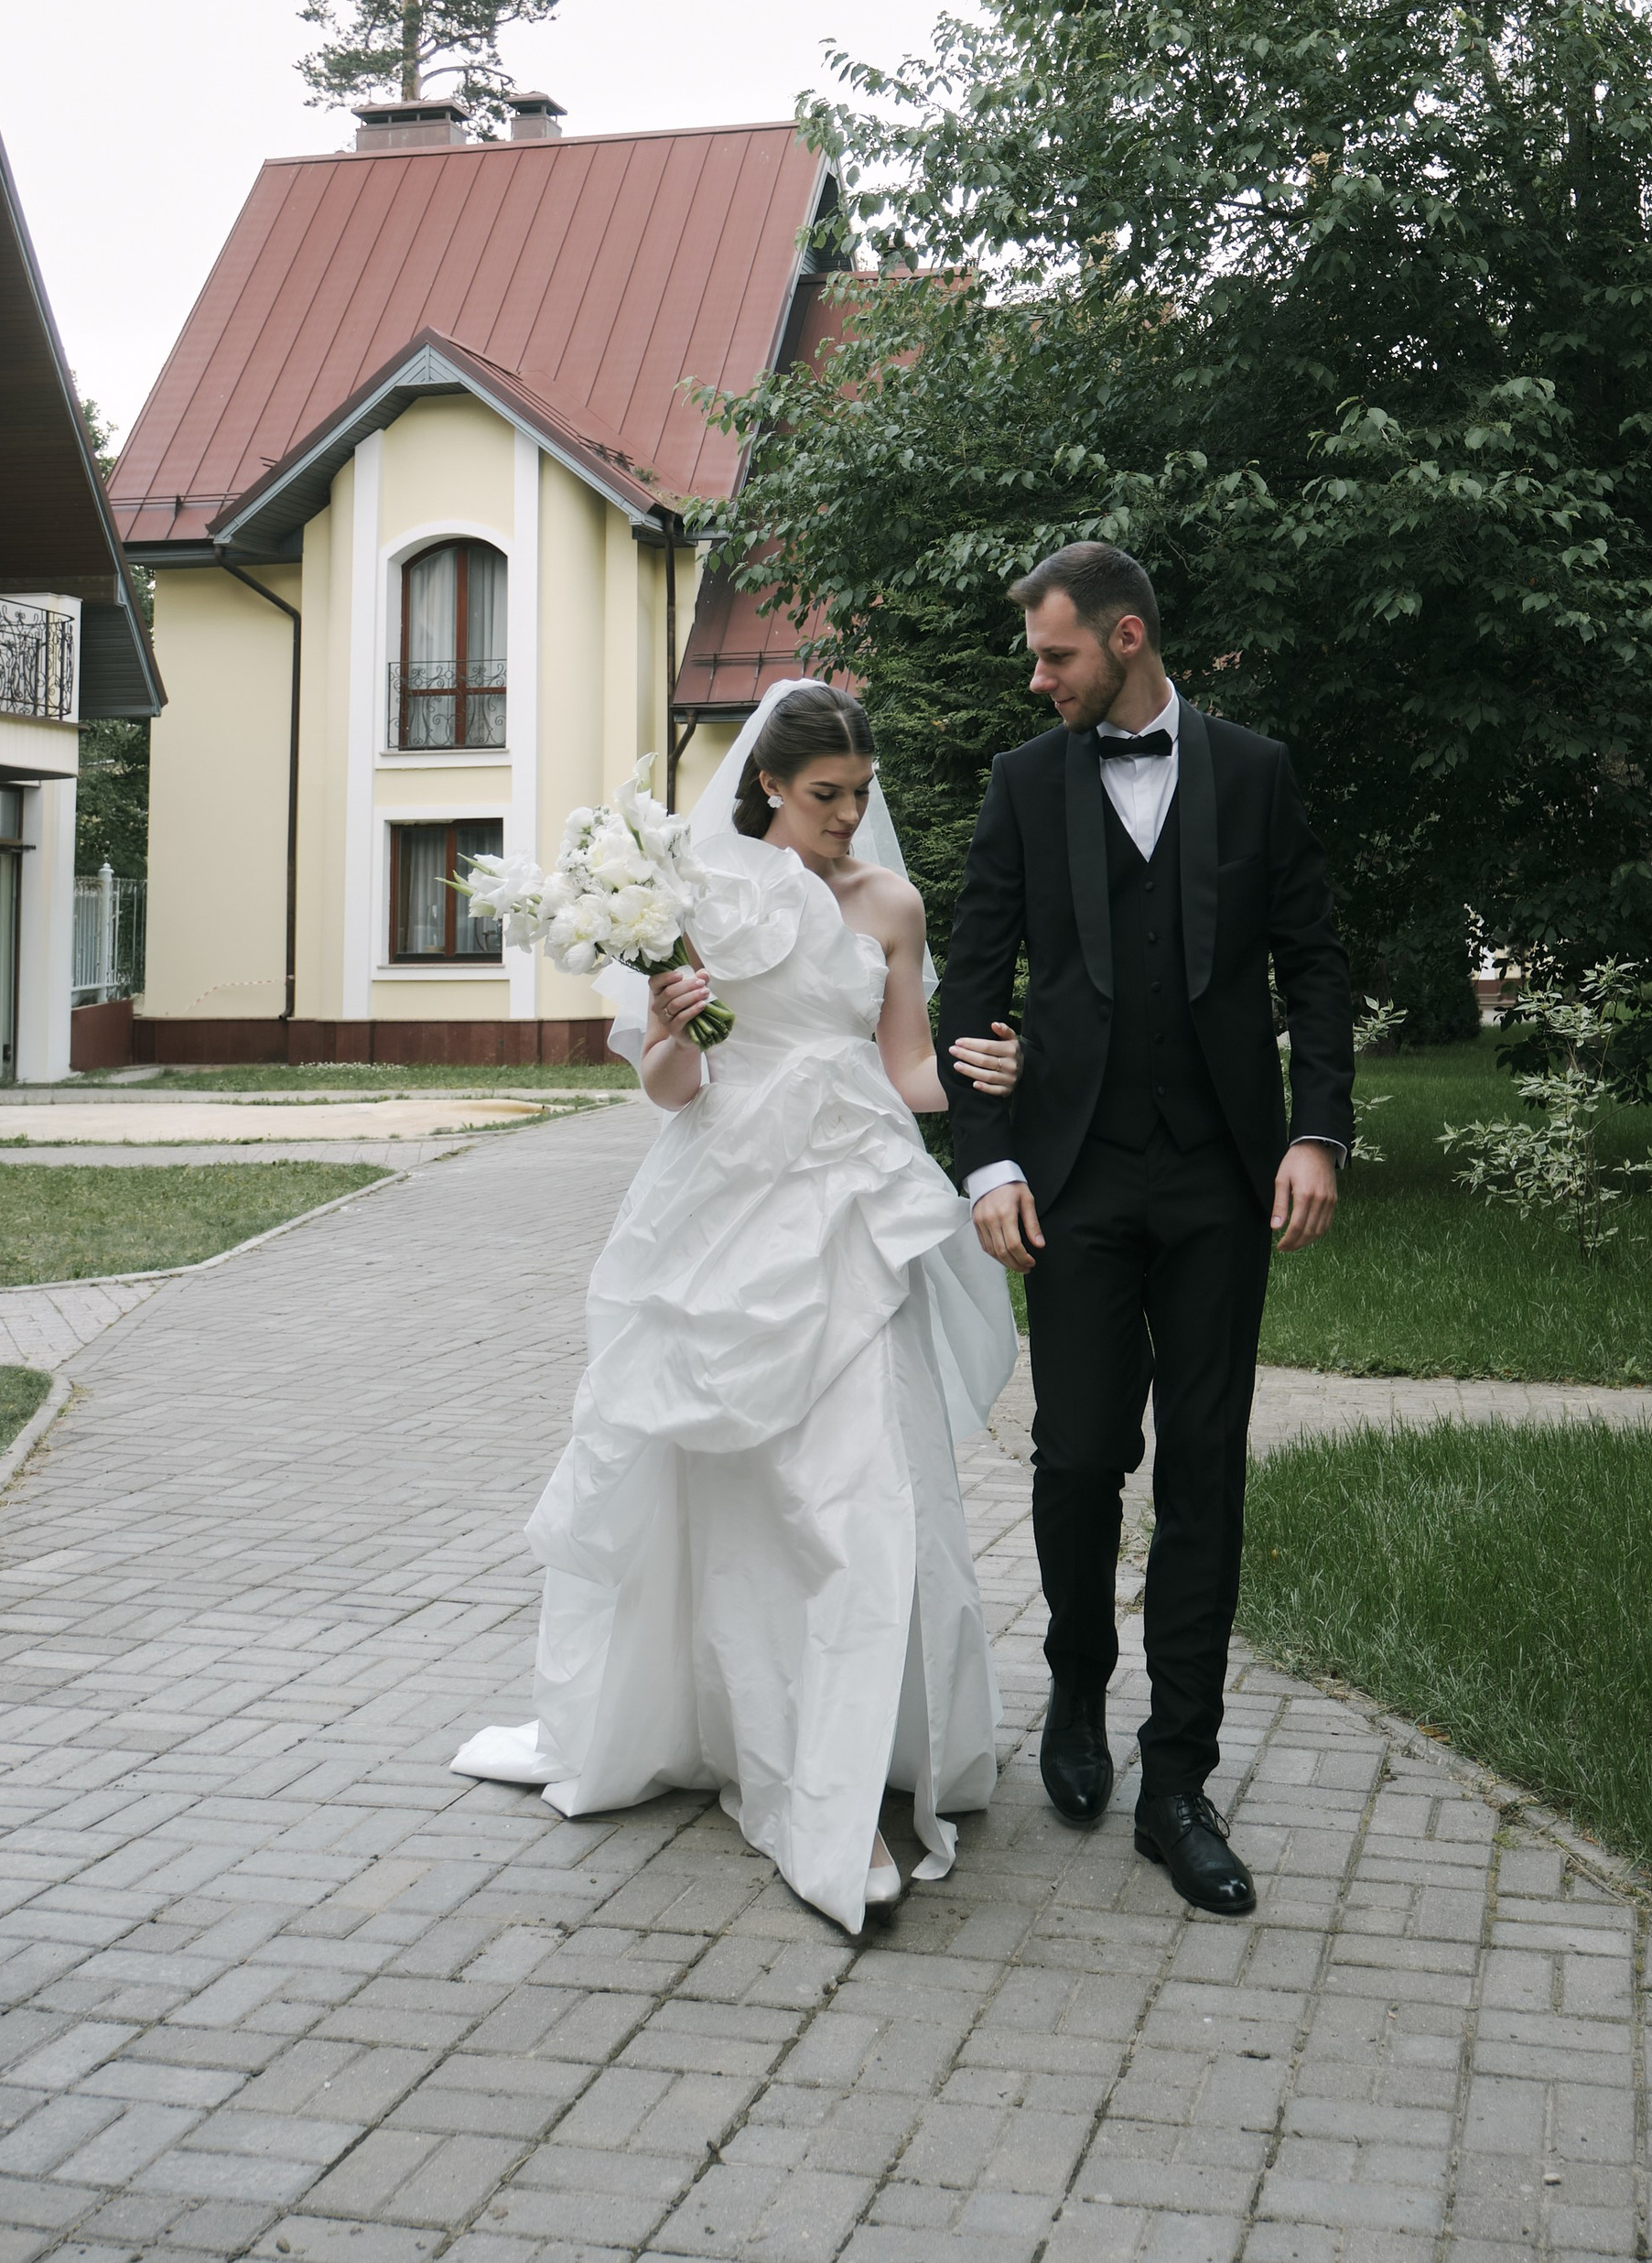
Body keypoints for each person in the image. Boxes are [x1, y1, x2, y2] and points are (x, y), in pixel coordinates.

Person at [452, 681, 1021, 1934]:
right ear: (769, 784)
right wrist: (668, 1028)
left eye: (863, 798)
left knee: (864, 1493)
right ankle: (755, 1738)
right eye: (827, 797)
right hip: (725, 1213)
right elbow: (668, 1089)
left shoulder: (891, 905)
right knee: (737, 1491)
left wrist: (986, 1072)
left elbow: (906, 1070)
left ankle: (853, 1773)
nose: (848, 820)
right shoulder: (693, 891)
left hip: (855, 1210)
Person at [938, 543, 1354, 1917]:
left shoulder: (1255, 771)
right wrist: (986, 1158)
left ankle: (1178, 1779)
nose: (1037, 675)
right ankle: (1074, 1686)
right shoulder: (1022, 783)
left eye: (1055, 654)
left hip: (1224, 1177)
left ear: (1127, 638)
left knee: (1206, 1473)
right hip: (1072, 1179)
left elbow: (1316, 959)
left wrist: (1316, 1130)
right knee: (1077, 1455)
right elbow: (968, 979)